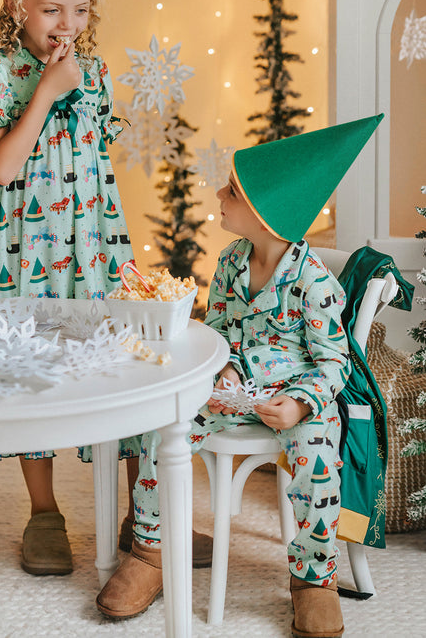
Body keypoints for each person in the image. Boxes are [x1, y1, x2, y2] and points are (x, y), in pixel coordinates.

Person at [96, 115, 384, 638]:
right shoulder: (230, 262)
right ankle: (149, 552)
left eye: (232, 191)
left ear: (266, 215)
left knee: (316, 457)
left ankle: (313, 581)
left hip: (296, 398)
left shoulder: (314, 282)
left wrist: (300, 403)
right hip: (232, 390)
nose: (218, 193)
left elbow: (334, 363)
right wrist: (223, 367)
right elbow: (220, 328)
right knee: (163, 427)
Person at [0, 0, 141, 577]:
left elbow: (96, 163)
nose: (67, 26)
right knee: (29, 369)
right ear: (17, 6)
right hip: (18, 249)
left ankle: (141, 519)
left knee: (115, 370)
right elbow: (3, 167)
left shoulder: (93, 73)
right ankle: (43, 512)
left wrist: (113, 250)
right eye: (51, 12)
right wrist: (46, 88)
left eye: (80, 12)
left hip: (90, 244)